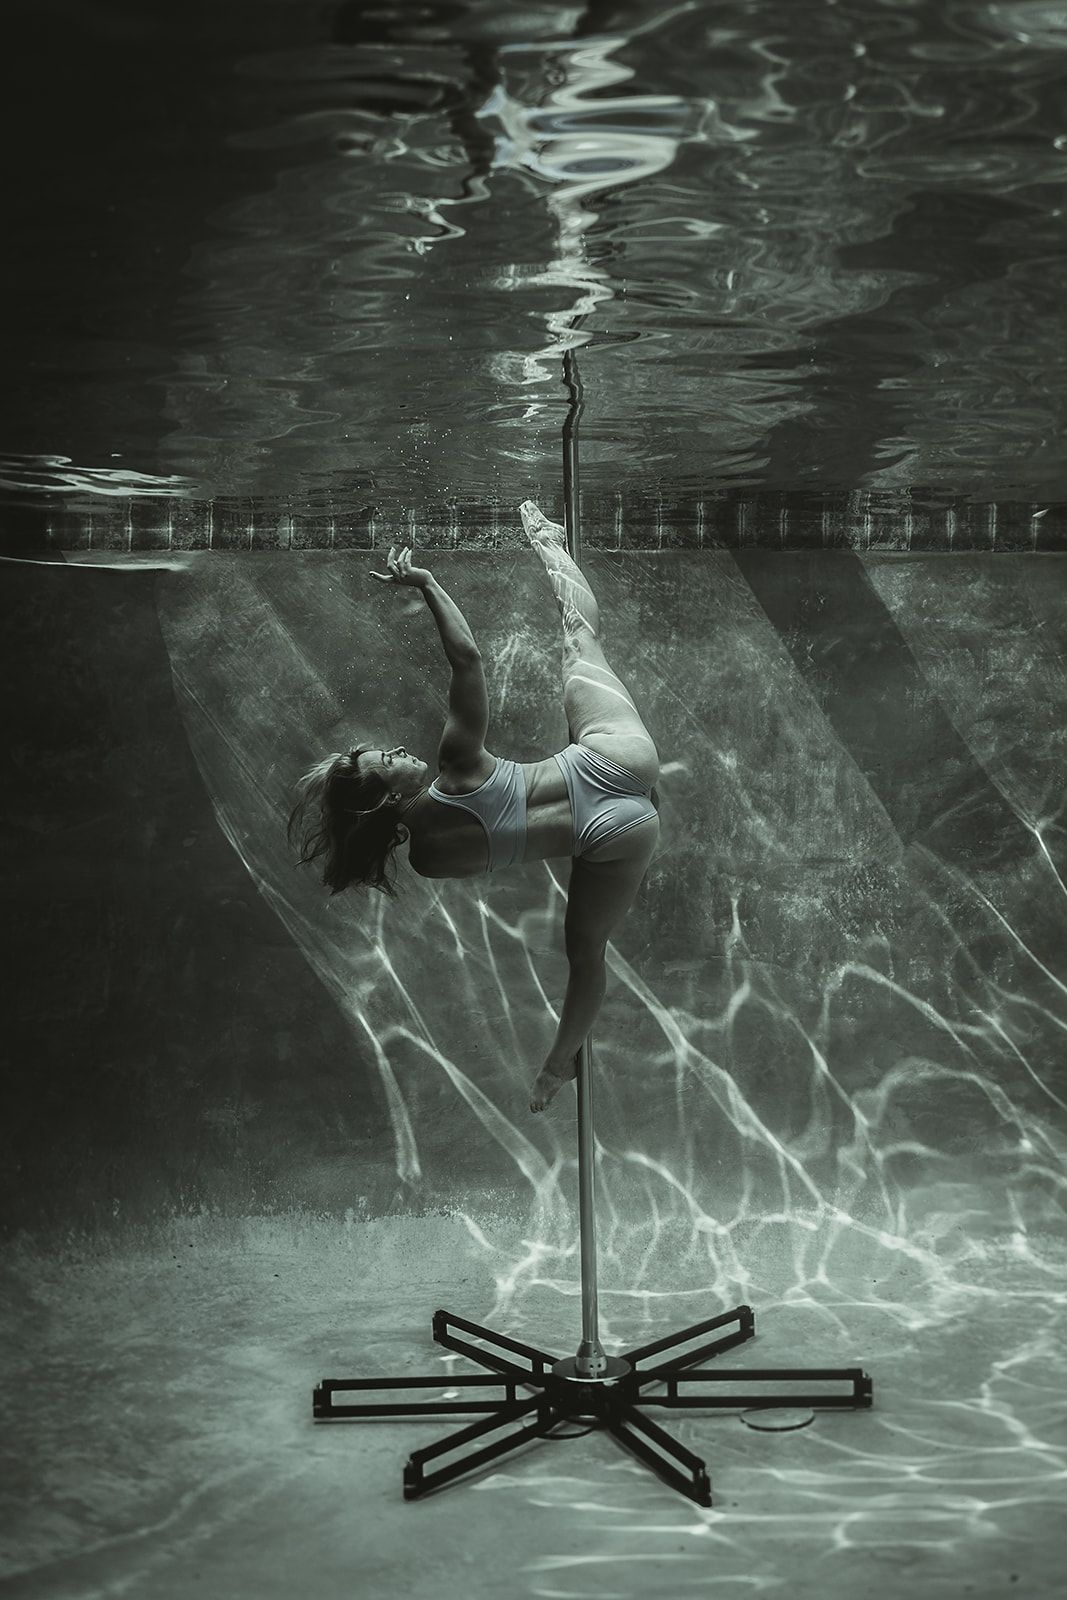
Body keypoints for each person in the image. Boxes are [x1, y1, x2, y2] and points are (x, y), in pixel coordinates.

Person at [289, 500, 660, 1113]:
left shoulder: (431, 858)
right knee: (577, 643)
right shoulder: (455, 763)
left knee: (585, 953)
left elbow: (511, 834)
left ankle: (556, 1065)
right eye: (388, 758)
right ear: (385, 795)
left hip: (619, 834)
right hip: (614, 760)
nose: (400, 749)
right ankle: (550, 544)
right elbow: (468, 659)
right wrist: (428, 584)